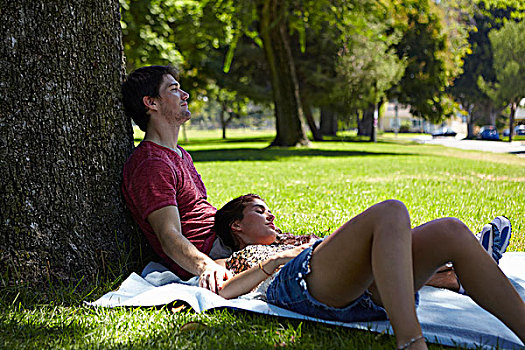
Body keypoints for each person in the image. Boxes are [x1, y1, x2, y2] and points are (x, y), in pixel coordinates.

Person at [214, 194, 525, 350]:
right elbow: (226, 289)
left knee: (452, 230)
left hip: (356, 284)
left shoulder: (292, 239)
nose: (269, 214)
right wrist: (277, 260)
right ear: (237, 226)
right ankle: (411, 341)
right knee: (391, 210)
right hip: (298, 280)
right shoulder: (243, 255)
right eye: (258, 210)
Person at [121, 65, 233, 293]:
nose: (185, 95)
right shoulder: (151, 163)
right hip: (215, 250)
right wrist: (206, 267)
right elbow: (168, 235)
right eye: (174, 89)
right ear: (151, 102)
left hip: (227, 238)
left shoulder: (180, 154)